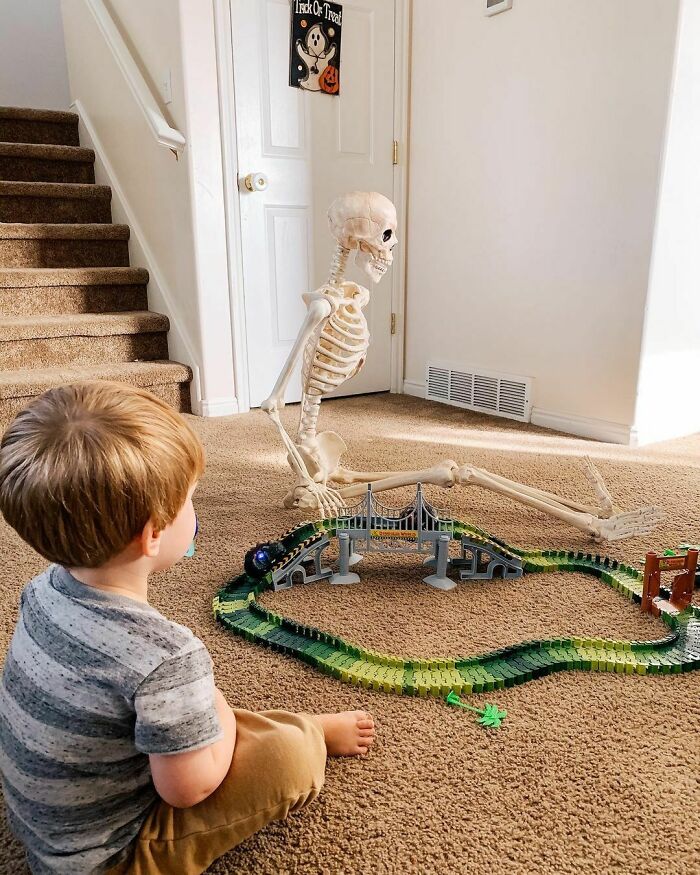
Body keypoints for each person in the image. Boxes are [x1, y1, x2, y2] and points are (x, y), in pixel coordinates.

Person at [0, 381, 376, 874]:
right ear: (153, 534)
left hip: (55, 819)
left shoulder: (42, 590)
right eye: (190, 501)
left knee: (183, 714)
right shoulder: (167, 657)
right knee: (285, 757)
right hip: (111, 858)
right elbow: (186, 790)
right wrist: (214, 700)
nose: (195, 514)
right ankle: (307, 735)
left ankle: (293, 725)